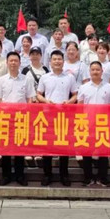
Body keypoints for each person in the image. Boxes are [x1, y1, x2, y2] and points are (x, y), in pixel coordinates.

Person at [36, 50, 77, 186]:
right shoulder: (45, 77)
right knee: (47, 146)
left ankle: (64, 175)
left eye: (59, 59)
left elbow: (75, 95)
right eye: (54, 59)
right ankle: (47, 174)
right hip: (48, 115)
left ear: (63, 61)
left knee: (64, 147)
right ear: (50, 62)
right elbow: (38, 94)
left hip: (64, 116)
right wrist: (46, 101)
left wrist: (69, 102)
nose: (57, 61)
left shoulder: (70, 77)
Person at [0, 52, 35, 186]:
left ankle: (19, 175)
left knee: (20, 148)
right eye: (10, 61)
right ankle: (6, 175)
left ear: (19, 63)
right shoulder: (1, 80)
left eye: (15, 61)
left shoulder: (26, 79)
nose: (13, 63)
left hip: (21, 118)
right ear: (6, 63)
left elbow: (30, 99)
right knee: (5, 148)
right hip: (5, 118)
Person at [78, 61, 110, 187]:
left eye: (97, 69)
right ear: (89, 72)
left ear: (102, 71)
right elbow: (80, 106)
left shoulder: (109, 87)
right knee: (86, 152)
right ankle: (88, 177)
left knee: (103, 152)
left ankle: (102, 177)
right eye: (93, 69)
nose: (95, 72)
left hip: (103, 124)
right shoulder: (83, 87)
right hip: (87, 123)